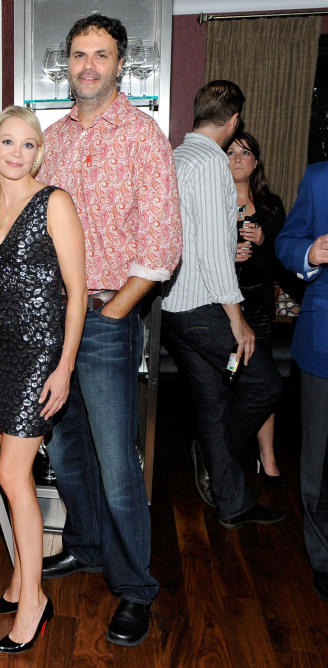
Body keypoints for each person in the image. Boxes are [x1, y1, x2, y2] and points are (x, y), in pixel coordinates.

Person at [36, 13, 183, 647]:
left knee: (118, 462)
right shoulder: (53, 140)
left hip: (104, 317)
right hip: (52, 320)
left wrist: (112, 312)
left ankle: (134, 589)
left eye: (101, 54)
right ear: (65, 64)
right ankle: (86, 546)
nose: (89, 65)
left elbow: (163, 247)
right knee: (66, 450)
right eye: (78, 54)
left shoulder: (143, 136)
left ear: (121, 63)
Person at [0, 106, 86, 653]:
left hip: (40, 348)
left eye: (28, 145)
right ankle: (21, 580)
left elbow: (77, 292)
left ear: (39, 152)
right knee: (8, 469)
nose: (17, 154)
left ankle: (34, 602)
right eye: (7, 143)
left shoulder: (54, 202)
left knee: (13, 476)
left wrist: (64, 365)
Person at [163, 80, 284, 531]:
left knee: (214, 400)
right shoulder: (211, 164)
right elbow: (215, 250)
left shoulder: (175, 157)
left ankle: (232, 502)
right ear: (234, 120)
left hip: (176, 311)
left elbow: (185, 238)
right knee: (263, 385)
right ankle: (211, 453)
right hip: (204, 312)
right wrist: (238, 322)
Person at [275, 161, 328, 601]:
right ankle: (323, 559)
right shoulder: (319, 178)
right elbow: (287, 242)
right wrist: (310, 252)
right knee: (319, 463)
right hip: (323, 344)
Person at [227, 130, 287, 485]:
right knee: (230, 380)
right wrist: (227, 255)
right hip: (225, 314)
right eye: (231, 151)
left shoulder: (270, 206)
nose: (237, 158)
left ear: (256, 162)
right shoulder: (213, 202)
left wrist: (263, 242)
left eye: (245, 153)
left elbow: (283, 263)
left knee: (266, 383)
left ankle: (268, 456)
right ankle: (225, 455)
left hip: (259, 313)